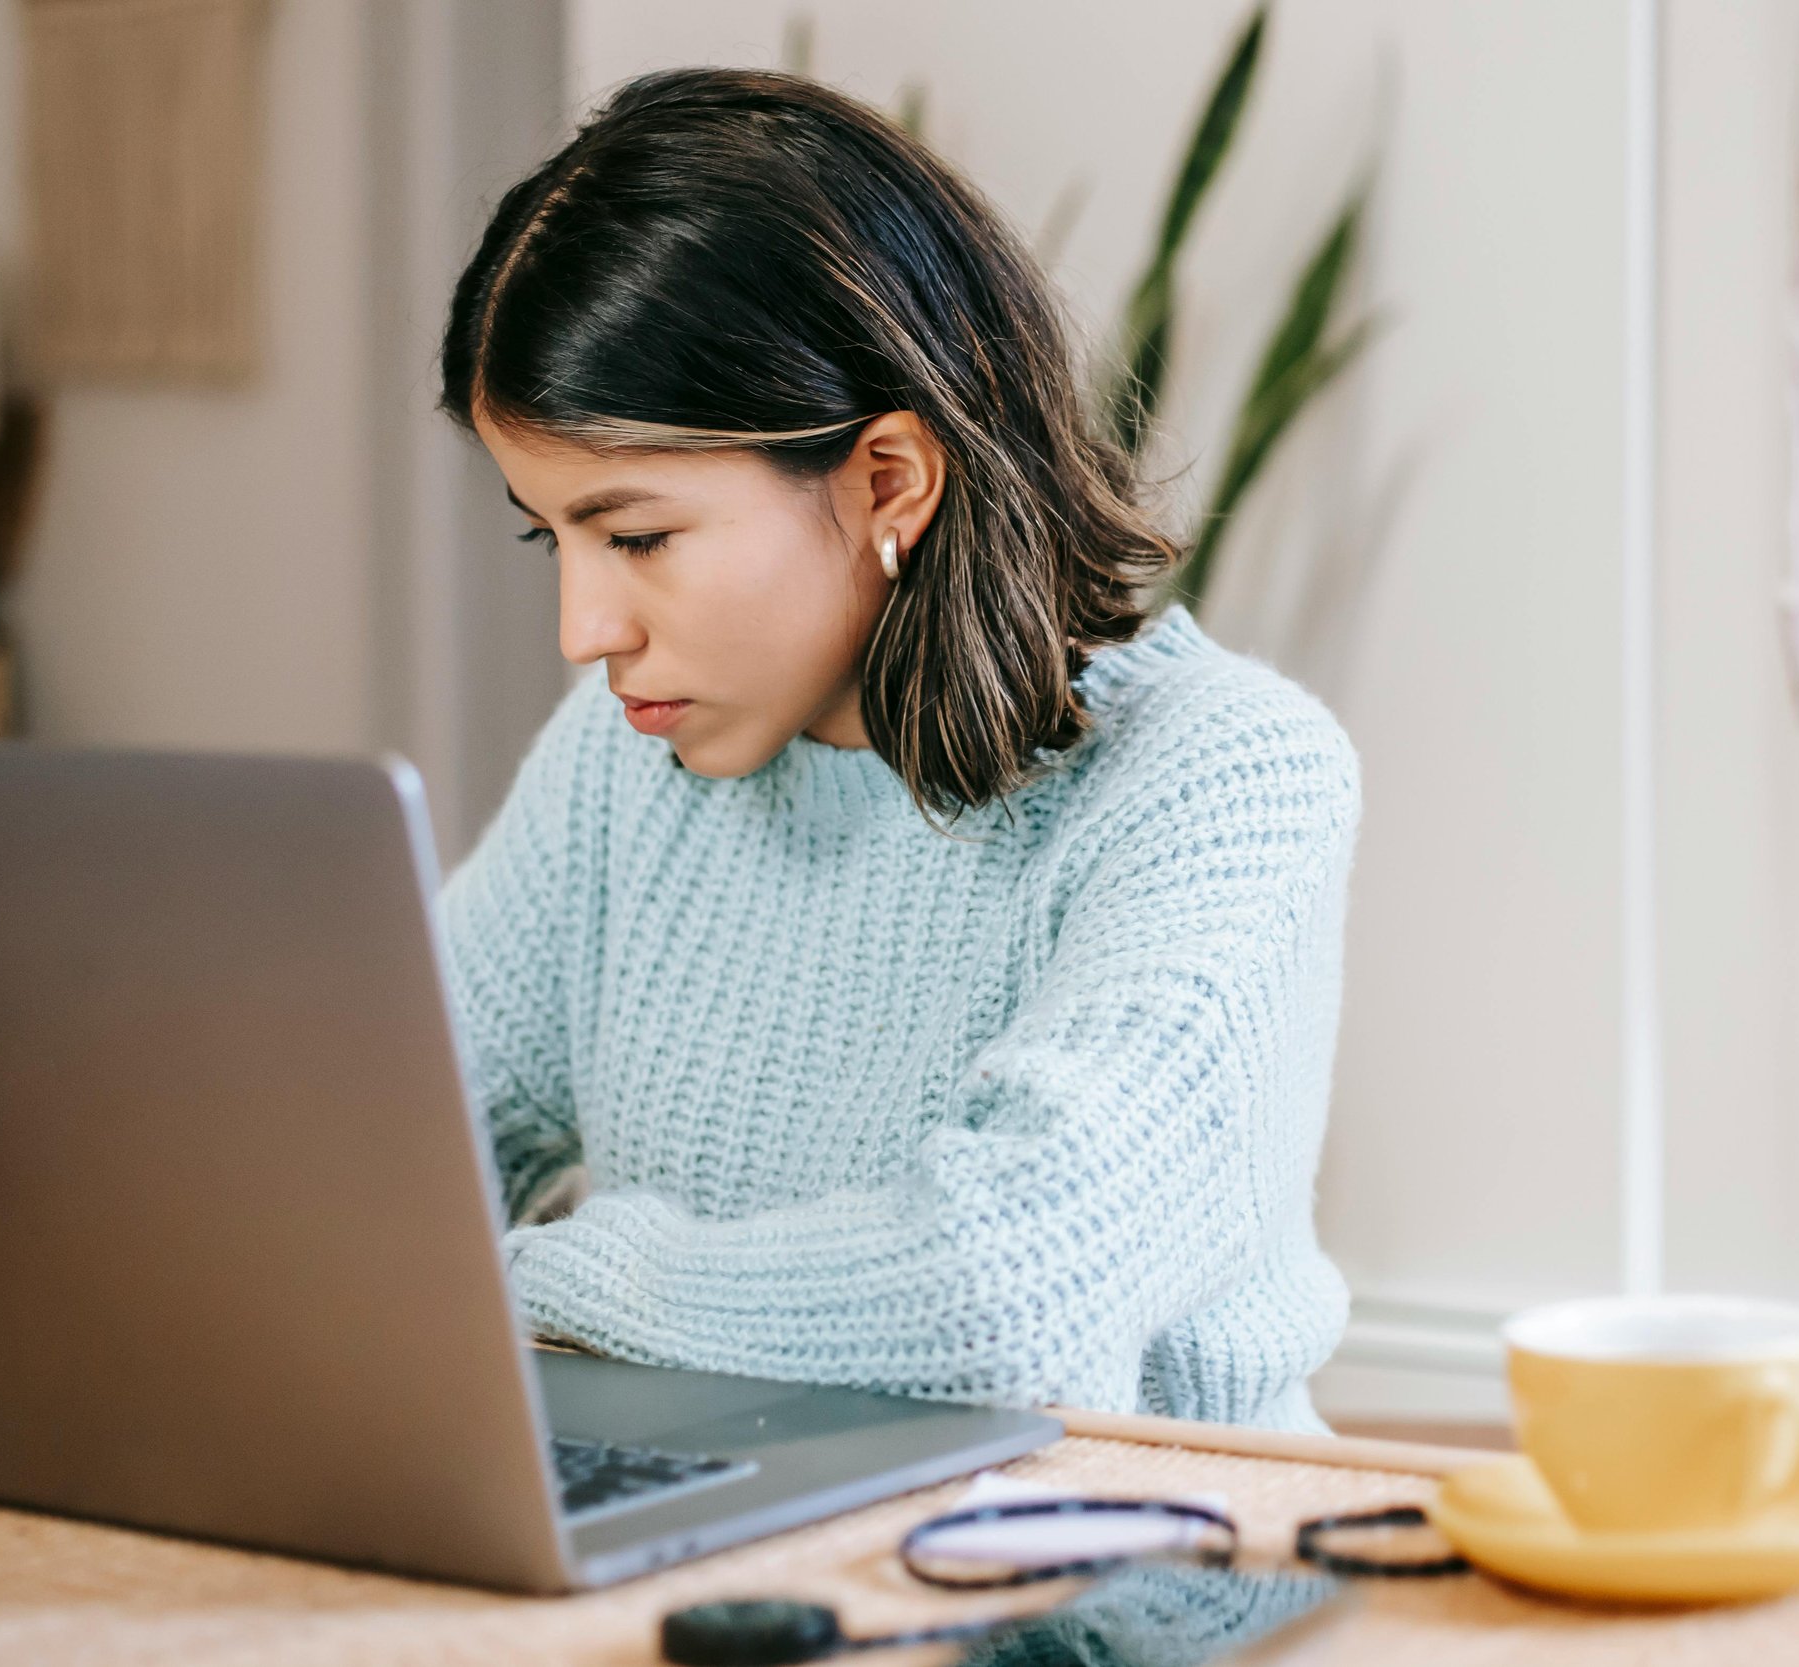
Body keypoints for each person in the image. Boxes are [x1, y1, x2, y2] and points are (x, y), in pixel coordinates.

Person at [434, 68, 1358, 1430]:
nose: (584, 628)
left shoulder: (1225, 776)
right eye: (549, 534)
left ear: (889, 481)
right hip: (730, 1545)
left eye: (638, 538)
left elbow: (1003, 1303)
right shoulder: (625, 759)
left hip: (1113, 1600)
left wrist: (530, 1279)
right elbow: (384, 1161)